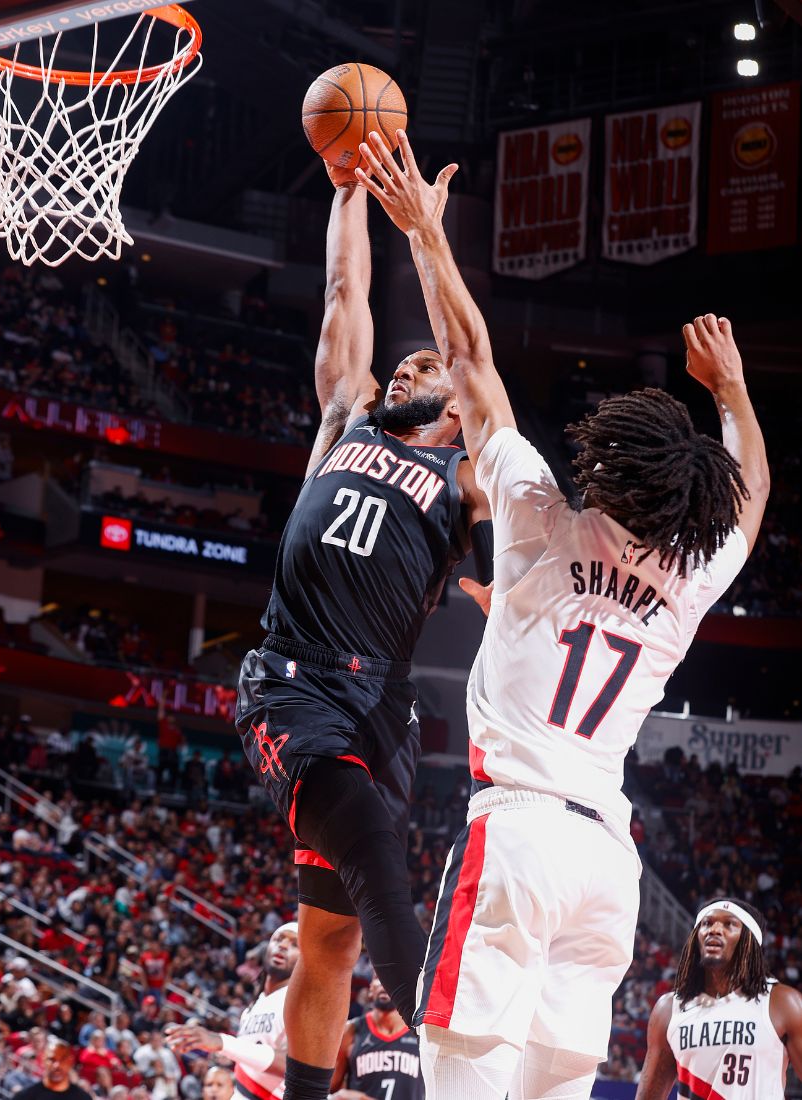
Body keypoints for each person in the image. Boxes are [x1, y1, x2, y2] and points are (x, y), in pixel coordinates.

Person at [355, 127, 770, 1100]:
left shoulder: (540, 514)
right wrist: (734, 391)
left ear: (610, 463)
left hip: (520, 829)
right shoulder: (687, 579)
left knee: (462, 1072)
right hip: (605, 862)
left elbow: (468, 359)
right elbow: (749, 495)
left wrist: (424, 233)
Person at [235, 153, 491, 1100]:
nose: (410, 365)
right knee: (380, 869)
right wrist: (346, 188)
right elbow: (345, 292)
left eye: (429, 365)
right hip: (294, 684)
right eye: (407, 360)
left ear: (457, 404)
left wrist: (430, 236)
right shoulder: (347, 418)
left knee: (332, 939)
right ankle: (467, 1069)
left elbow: (472, 358)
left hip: (382, 704)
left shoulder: (468, 477)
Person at [635, 897, 802, 1099]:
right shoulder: (669, 1008)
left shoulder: (782, 1002)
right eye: (706, 923)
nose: (714, 929)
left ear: (749, 941)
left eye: (729, 924)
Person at [167, 922, 299, 1100]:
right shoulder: (254, 1006)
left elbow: (297, 1066)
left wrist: (223, 1043)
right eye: (279, 939)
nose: (283, 945)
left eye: (294, 944)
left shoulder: (300, 1001)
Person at [331, 975, 424, 1100]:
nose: (384, 983)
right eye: (378, 977)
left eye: (391, 977)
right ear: (370, 989)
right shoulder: (350, 1030)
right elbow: (329, 1088)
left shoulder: (421, 1033)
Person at [12, 1039, 91, 1100]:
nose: (57, 1065)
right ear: (43, 1061)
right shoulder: (25, 1097)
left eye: (63, 1059)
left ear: (70, 1062)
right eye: (52, 1059)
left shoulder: (83, 1097)